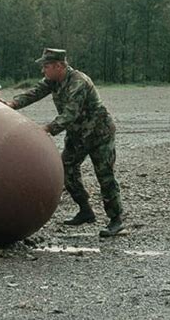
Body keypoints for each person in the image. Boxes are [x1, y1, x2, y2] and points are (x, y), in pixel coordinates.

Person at [6, 47, 124, 237]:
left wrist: (47, 129)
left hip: (98, 134)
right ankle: (85, 210)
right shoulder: (53, 80)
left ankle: (116, 220)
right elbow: (35, 92)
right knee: (66, 169)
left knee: (104, 175)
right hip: (77, 135)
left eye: (46, 66)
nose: (43, 71)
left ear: (59, 66)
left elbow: (70, 113)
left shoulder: (79, 83)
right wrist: (13, 104)